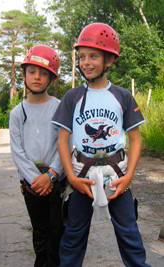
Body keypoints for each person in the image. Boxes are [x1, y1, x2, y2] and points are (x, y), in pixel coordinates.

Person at [51, 23, 151, 266]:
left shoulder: (122, 95)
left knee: (129, 232)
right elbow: (62, 139)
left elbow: (135, 138)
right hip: (82, 175)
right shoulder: (72, 97)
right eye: (82, 56)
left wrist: (129, 176)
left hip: (116, 174)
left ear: (109, 60)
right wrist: (71, 178)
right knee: (74, 234)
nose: (86, 62)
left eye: (93, 56)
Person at [9, 44, 65, 267]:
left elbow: (65, 145)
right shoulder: (17, 113)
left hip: (57, 182)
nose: (37, 77)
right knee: (40, 232)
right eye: (32, 72)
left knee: (58, 230)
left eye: (43, 73)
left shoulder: (60, 108)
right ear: (24, 75)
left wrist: (51, 175)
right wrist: (36, 179)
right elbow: (17, 151)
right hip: (31, 184)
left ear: (51, 78)